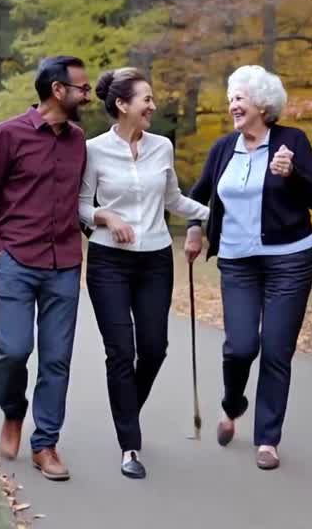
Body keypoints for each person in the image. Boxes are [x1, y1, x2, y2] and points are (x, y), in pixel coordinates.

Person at [184, 65, 312, 471]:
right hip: (237, 261)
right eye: (231, 98)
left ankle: (268, 438)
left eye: (239, 98)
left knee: (277, 349)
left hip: (290, 260)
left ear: (262, 105)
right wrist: (195, 230)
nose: (232, 105)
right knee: (241, 345)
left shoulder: (291, 142)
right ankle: (232, 403)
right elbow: (197, 197)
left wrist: (293, 174)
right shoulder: (223, 148)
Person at [78, 68, 209, 480]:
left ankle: (126, 409)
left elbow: (174, 200)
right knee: (120, 351)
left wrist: (215, 215)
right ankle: (129, 445)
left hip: (154, 259)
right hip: (108, 262)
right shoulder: (93, 150)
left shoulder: (162, 147)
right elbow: (80, 205)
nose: (153, 106)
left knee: (153, 348)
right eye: (146, 100)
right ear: (123, 105)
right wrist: (105, 215)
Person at [0, 55, 91, 482]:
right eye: (82, 88)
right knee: (15, 350)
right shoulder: (8, 134)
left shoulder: (78, 140)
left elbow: (81, 201)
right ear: (58, 90)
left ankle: (46, 444)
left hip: (65, 265)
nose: (87, 94)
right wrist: (0, 252)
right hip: (17, 261)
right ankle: (13, 413)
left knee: (57, 359)